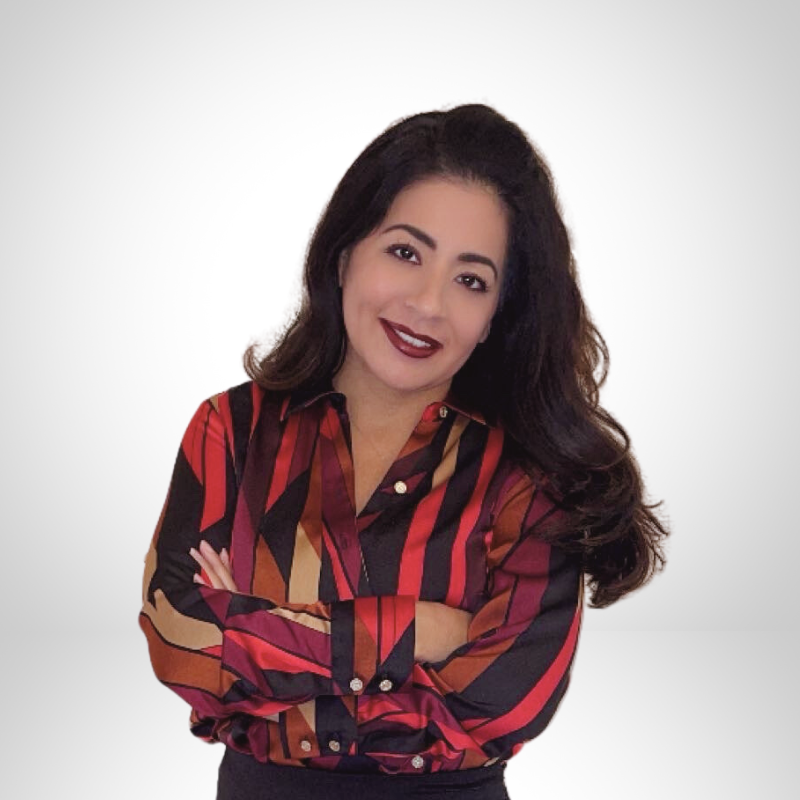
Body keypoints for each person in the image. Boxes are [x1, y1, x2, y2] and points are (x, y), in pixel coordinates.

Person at [139, 103, 668, 800]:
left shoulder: (532, 476)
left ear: (495, 317)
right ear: (344, 252)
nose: (427, 303)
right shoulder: (229, 432)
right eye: (406, 252)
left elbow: (505, 702)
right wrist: (417, 630)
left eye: (470, 279)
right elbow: (181, 643)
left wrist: (259, 624)